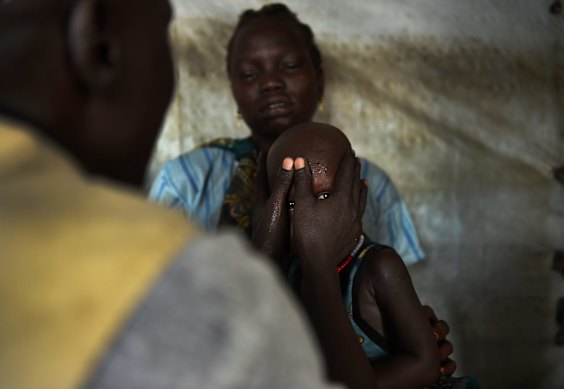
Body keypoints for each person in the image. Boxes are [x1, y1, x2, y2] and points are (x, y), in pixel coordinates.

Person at [0, 1, 346, 388]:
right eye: (162, 33)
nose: (269, 83)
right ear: (98, 45)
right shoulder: (187, 289)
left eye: (289, 66)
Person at [149, 2, 456, 376]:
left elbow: (383, 302)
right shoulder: (188, 179)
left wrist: (409, 338)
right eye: (249, 73)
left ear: (320, 80)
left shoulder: (369, 181)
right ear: (232, 91)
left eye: (290, 66)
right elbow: (157, 312)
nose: (271, 82)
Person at [256, 122, 480, 389]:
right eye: (291, 204)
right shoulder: (288, 270)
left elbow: (425, 363)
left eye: (324, 196)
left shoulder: (379, 267)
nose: (306, 218)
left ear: (356, 191)